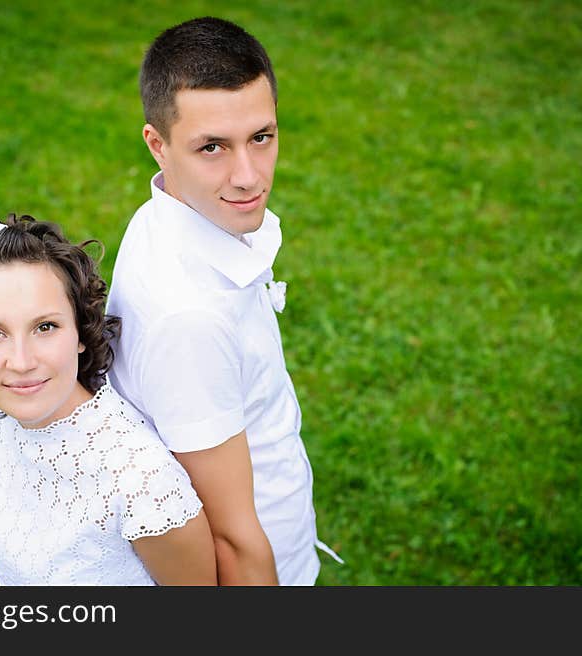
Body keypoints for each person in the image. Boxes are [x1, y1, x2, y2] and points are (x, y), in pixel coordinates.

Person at [107, 16, 342, 585]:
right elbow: (231, 541)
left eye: (262, 137)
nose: (248, 176)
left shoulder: (175, 210)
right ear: (156, 144)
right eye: (212, 147)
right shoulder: (189, 319)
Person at [0, 213, 216, 586]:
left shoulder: (142, 482)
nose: (21, 362)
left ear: (80, 329)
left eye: (45, 327)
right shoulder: (1, 415)